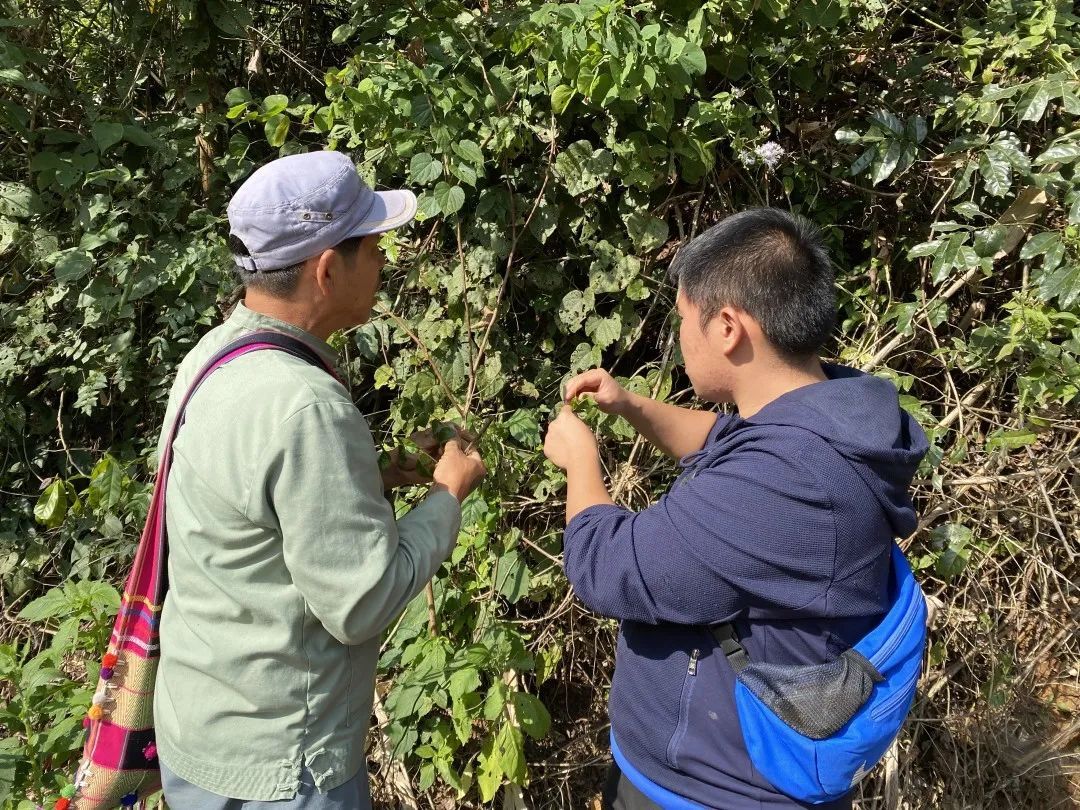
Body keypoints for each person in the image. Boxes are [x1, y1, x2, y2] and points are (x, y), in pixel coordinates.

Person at [543, 208, 929, 810]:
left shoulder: (785, 483)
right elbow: (725, 440)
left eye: (683, 320)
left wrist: (580, 461)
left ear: (727, 326)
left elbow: (607, 567)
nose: (680, 338)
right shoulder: (828, 414)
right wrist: (632, 407)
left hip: (713, 792)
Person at [153, 151, 486, 809]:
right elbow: (362, 603)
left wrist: (377, 472)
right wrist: (449, 493)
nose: (385, 263)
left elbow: (252, 506)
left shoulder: (215, 357)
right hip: (282, 767)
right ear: (328, 269)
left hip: (200, 735)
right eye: (374, 248)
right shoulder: (306, 405)